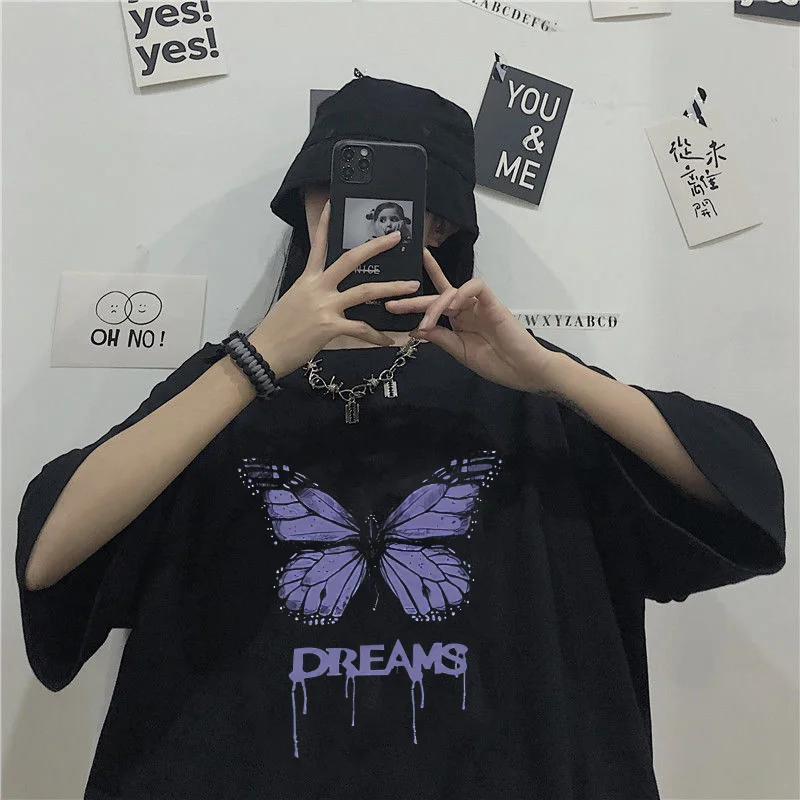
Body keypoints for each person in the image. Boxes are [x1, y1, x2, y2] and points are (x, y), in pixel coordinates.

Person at [15, 76, 786, 800]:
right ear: (304, 202)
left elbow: (741, 493)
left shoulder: (525, 389)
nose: (361, 215)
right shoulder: (226, 386)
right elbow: (50, 557)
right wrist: (257, 361)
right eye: (336, 185)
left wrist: (552, 372)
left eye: (398, 198)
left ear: (439, 221)